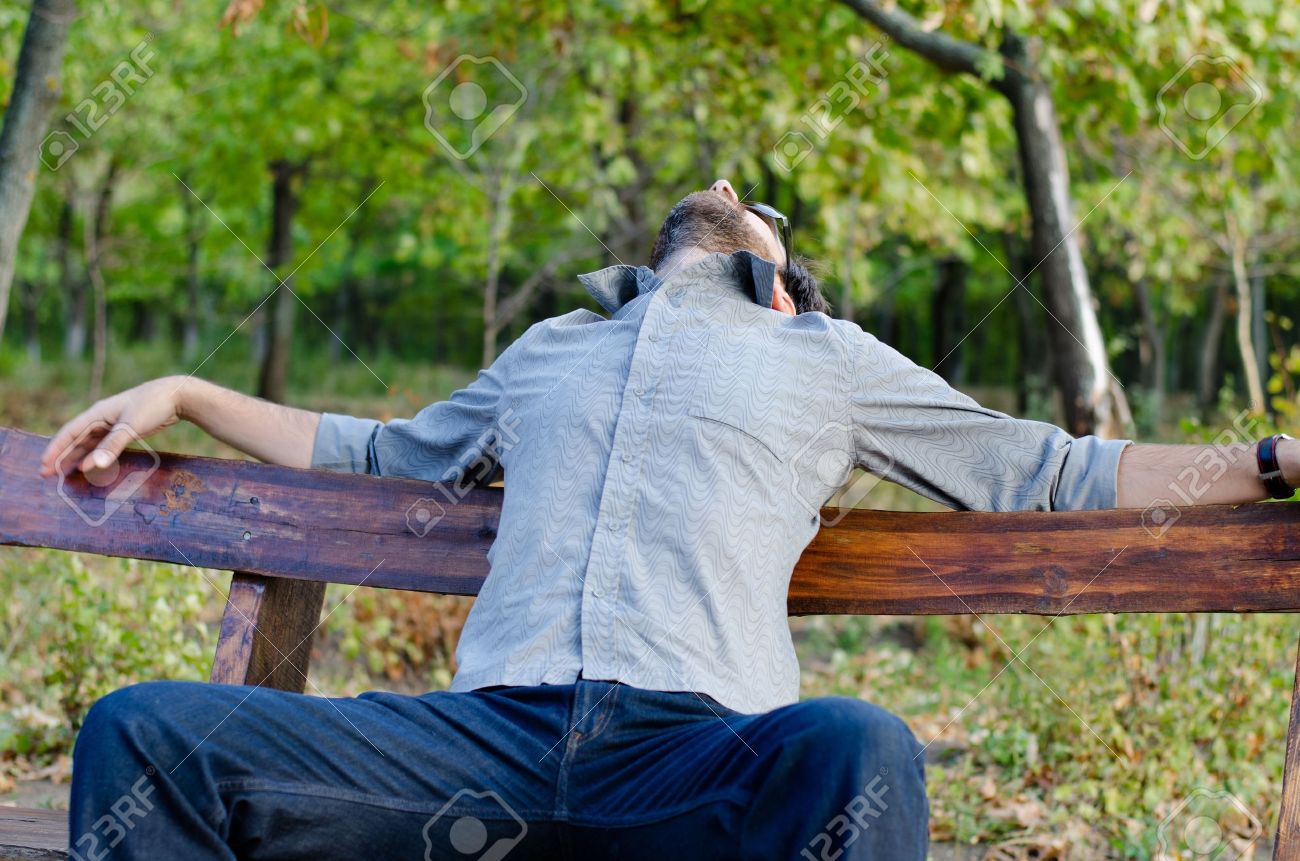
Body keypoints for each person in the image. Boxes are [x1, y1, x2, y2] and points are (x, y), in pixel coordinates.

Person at [42, 179, 1299, 860]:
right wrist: (188, 390)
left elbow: (1055, 472)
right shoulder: (550, 347)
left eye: (759, 201)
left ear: (783, 282)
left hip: (695, 764)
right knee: (147, 731)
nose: (725, 185)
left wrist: (1271, 455)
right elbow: (377, 451)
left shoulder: (830, 357)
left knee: (858, 748)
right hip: (481, 750)